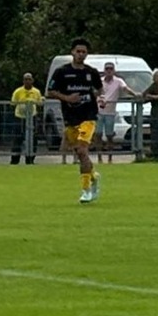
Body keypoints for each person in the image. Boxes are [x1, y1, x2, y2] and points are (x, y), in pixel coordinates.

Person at [45, 39, 103, 203]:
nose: (81, 54)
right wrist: (67, 98)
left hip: (88, 116)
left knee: (83, 151)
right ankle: (93, 176)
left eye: (84, 52)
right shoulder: (62, 72)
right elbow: (50, 92)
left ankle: (86, 190)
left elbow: (99, 89)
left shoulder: (91, 72)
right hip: (70, 118)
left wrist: (95, 97)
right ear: (72, 52)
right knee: (78, 152)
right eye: (78, 51)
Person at [96, 63, 139, 159]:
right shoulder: (100, 81)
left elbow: (125, 89)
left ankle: (110, 157)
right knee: (97, 134)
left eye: (111, 69)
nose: (109, 71)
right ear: (104, 70)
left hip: (110, 112)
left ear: (114, 70)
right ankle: (99, 157)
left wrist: (135, 94)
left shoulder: (118, 81)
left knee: (109, 135)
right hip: (99, 111)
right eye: (107, 69)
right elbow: (94, 91)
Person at [9, 72, 43, 165]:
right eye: (25, 79)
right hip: (20, 117)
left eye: (29, 79)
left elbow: (39, 103)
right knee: (17, 139)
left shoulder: (36, 92)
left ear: (32, 80)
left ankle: (30, 159)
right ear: (23, 81)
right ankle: (15, 160)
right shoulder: (18, 91)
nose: (27, 81)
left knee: (33, 139)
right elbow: (13, 103)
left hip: (32, 117)